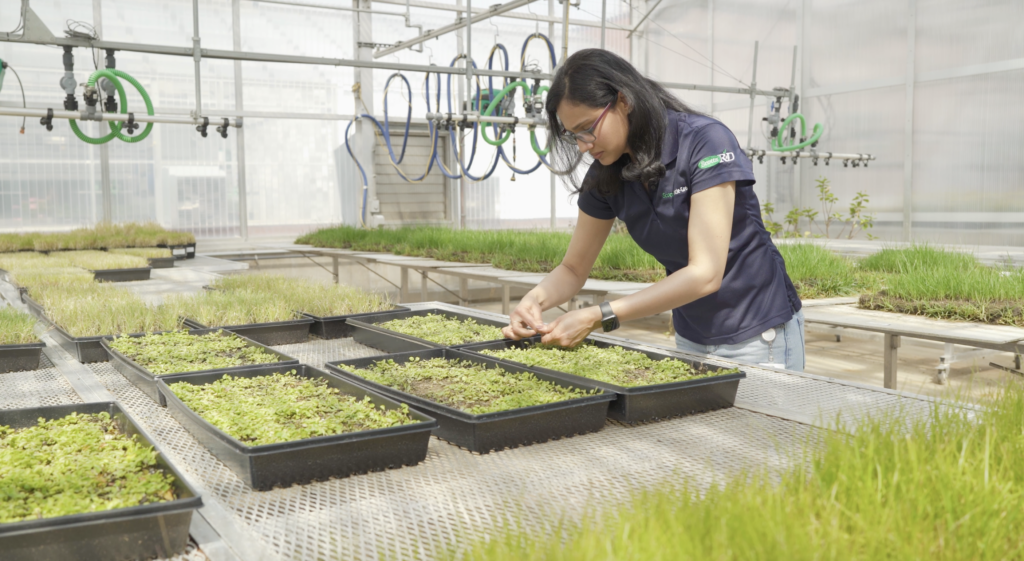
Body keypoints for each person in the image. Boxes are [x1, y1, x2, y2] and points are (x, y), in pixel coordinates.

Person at [502, 48, 805, 371]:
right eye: (573, 134)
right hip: (691, 335)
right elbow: (574, 269)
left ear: (623, 101)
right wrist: (534, 300)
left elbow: (705, 273)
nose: (583, 145)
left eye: (589, 127)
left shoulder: (705, 142)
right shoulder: (606, 175)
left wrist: (600, 315)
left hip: (758, 334)